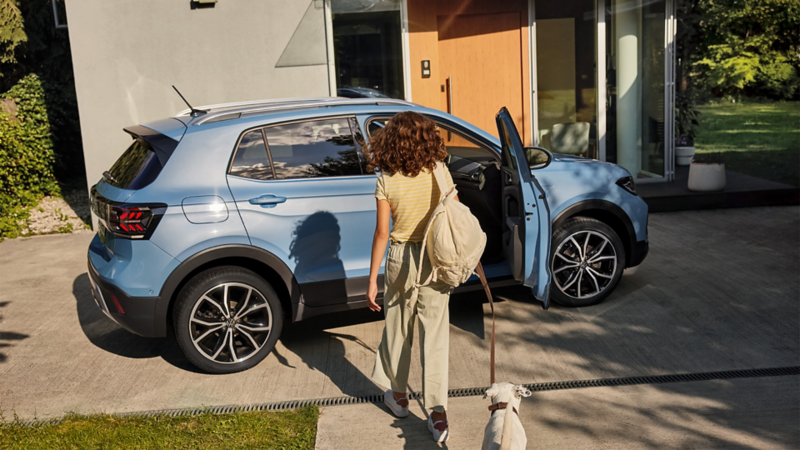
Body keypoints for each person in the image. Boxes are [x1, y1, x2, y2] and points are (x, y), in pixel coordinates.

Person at [365, 111, 457, 443]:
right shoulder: (439, 172)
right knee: (434, 335)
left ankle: (400, 398)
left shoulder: (387, 179)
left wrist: (372, 279)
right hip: (435, 258)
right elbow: (454, 214)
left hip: (401, 258)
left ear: (390, 140)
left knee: (398, 329)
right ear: (426, 137)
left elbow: (381, 233)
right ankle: (438, 416)